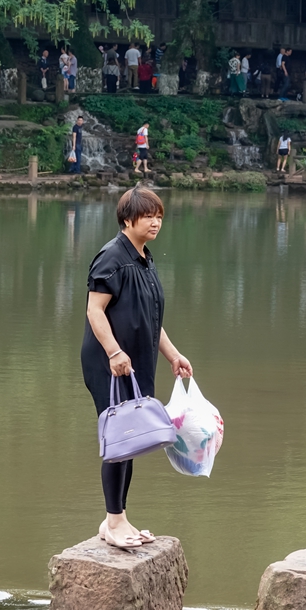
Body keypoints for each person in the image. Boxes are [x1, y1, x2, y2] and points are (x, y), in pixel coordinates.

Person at [80, 188, 192, 549]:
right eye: (148, 216)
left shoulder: (144, 258)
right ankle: (114, 522)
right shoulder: (112, 257)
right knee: (121, 437)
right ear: (128, 219)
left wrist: (173, 355)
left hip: (136, 361)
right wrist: (113, 352)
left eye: (159, 214)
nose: (156, 221)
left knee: (133, 437)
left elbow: (149, 319)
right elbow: (94, 311)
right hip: (110, 362)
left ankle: (118, 518)